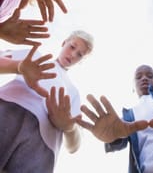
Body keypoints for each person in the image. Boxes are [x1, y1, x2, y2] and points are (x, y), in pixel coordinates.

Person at [0, 29, 94, 173]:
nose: (73, 54)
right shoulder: (35, 57)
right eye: (72, 47)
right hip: (8, 113)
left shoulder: (74, 92)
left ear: (82, 61)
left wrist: (69, 128)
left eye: (80, 54)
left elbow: (74, 147)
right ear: (64, 43)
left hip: (42, 145)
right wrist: (19, 67)